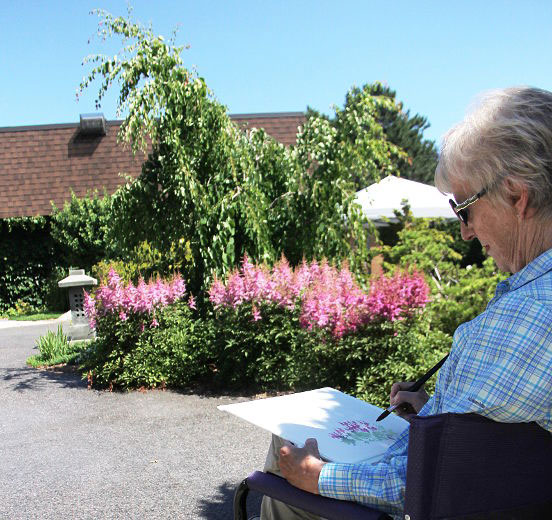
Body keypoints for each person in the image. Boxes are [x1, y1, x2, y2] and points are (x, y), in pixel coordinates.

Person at [260, 86, 552, 519]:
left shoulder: (523, 319)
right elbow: (491, 438)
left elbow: (415, 484)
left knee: (284, 450)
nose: (465, 232)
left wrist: (316, 476)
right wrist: (433, 411)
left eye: (464, 209)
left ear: (516, 196)